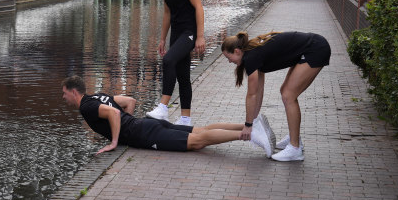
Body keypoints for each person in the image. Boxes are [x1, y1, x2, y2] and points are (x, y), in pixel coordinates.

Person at [61, 75, 275, 156]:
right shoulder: (98, 96)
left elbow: (114, 113)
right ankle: (248, 125)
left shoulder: (86, 107)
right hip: (145, 125)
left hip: (144, 134)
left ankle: (249, 135)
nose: (64, 98)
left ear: (73, 91)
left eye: (64, 94)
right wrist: (130, 123)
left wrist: (116, 140)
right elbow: (129, 102)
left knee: (197, 141)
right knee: (200, 130)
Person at [221, 31, 331, 161]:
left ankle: (295, 148)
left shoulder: (251, 57)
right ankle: (294, 138)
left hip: (316, 49)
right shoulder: (253, 52)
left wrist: (248, 125)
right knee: (285, 91)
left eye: (229, 57)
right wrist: (254, 122)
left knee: (288, 95)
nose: (229, 62)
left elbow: (251, 95)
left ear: (237, 51)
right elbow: (258, 91)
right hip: (312, 46)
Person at [143, 0, 205, 126]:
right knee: (182, 76)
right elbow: (167, 12)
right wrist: (162, 39)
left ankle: (163, 107)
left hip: (190, 31)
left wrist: (200, 36)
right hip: (177, 33)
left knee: (168, 60)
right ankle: (185, 119)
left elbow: (199, 7)